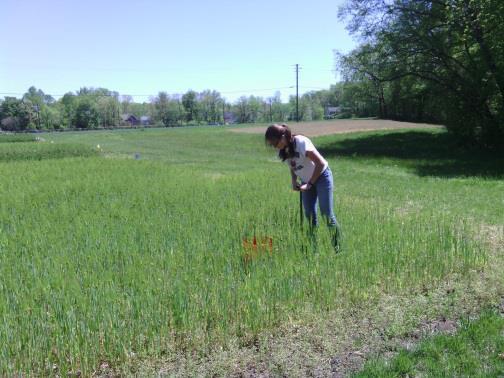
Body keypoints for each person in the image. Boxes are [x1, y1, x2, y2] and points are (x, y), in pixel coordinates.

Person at [265, 123, 341, 251]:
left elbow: (320, 163)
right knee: (309, 214)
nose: (274, 146)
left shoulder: (301, 142)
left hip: (322, 177)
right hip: (306, 181)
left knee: (326, 214)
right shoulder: (284, 149)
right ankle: (313, 249)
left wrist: (310, 183)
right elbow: (292, 166)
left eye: (275, 142)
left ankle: (338, 248)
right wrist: (294, 180)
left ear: (283, 137)